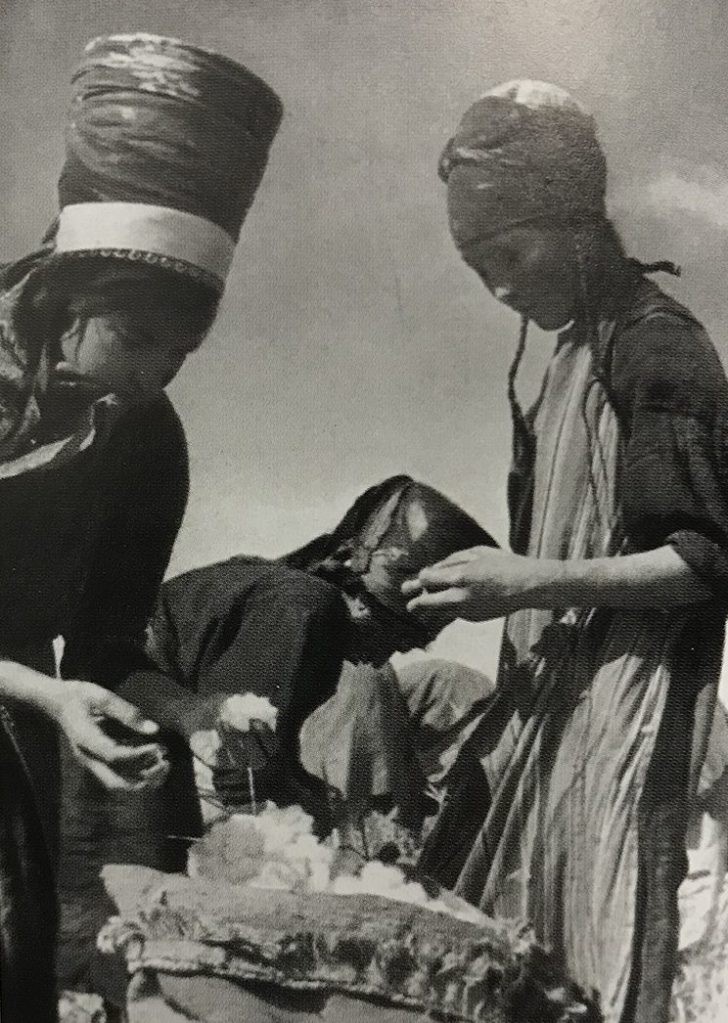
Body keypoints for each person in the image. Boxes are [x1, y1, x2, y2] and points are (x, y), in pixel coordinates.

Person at [403, 80, 728, 1023]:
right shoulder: (567, 363)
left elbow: (708, 558)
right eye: (478, 269)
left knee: (641, 950)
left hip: (656, 712)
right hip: (573, 711)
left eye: (510, 252)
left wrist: (528, 581)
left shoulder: (655, 343)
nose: (500, 285)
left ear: (577, 221)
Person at [0, 33, 282, 1022]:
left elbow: (113, 651)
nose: (152, 375)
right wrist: (45, 693)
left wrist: (198, 712)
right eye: (134, 338)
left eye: (179, 353)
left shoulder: (146, 440)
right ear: (70, 299)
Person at [130, 476, 498, 838]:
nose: (395, 651)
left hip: (186, 749)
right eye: (399, 635)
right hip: (138, 748)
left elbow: (270, 761)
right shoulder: (304, 607)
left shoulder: (303, 603)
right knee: (367, 686)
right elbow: (241, 773)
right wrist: (328, 812)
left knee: (444, 683)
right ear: (358, 603)